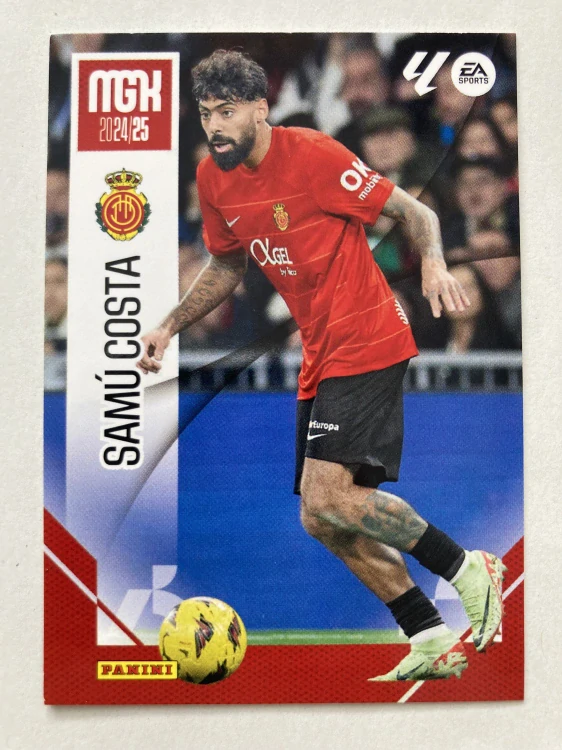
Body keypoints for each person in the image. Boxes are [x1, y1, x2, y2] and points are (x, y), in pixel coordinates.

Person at [137, 50, 506, 682]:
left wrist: (433, 264)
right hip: (320, 351)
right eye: (205, 114)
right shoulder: (214, 179)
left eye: (227, 111)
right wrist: (169, 323)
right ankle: (429, 634)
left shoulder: (312, 155)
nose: (215, 126)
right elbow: (227, 263)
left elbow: (415, 211)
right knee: (319, 516)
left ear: (261, 108)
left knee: (332, 495)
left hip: (367, 338)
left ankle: (466, 567)